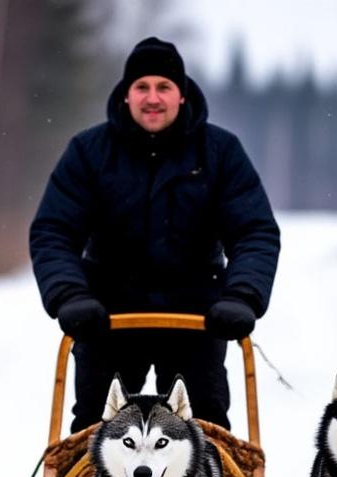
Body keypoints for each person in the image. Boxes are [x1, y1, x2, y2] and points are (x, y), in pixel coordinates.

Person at [30, 36, 280, 433]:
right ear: (126, 95)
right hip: (107, 317)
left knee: (205, 429)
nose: (152, 98)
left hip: (197, 316)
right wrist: (70, 295)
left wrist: (242, 296)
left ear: (182, 95)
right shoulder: (89, 152)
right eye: (142, 87)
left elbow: (255, 232)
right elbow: (53, 231)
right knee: (94, 431)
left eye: (164, 87)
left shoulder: (220, 152)